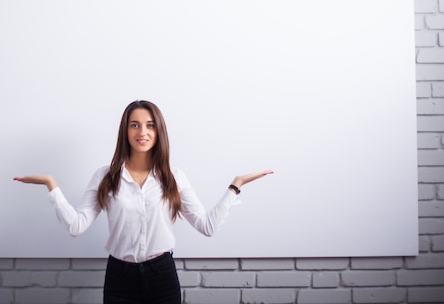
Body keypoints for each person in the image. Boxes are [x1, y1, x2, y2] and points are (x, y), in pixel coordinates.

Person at [14, 100, 273, 304]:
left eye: (150, 125)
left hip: (162, 275)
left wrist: (235, 186)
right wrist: (51, 185)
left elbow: (207, 226)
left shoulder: (174, 177)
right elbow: (76, 226)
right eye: (134, 125)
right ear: (125, 130)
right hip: (119, 278)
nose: (143, 132)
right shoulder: (105, 177)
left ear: (158, 131)